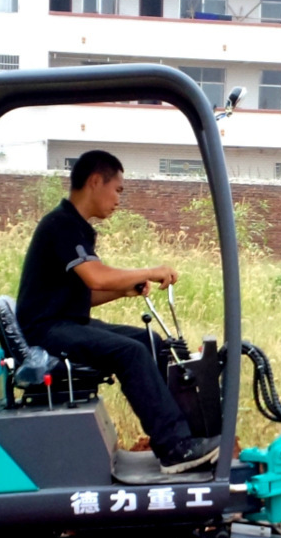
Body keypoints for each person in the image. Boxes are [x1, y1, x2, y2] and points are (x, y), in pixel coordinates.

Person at [14, 150, 221, 473]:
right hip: (45, 331)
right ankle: (174, 447)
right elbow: (95, 275)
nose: (118, 199)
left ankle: (190, 435)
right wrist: (147, 271)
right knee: (130, 353)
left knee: (151, 342)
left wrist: (123, 290)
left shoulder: (77, 228)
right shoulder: (61, 225)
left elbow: (85, 293)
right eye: (118, 189)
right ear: (95, 181)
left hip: (63, 322)